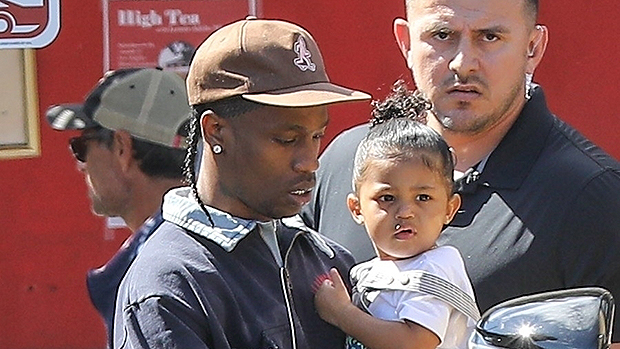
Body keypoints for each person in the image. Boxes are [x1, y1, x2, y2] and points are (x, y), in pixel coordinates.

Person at [302, 0, 620, 342]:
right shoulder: (344, 161)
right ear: (406, 42)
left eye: (490, 36)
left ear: (532, 48)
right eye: (442, 35)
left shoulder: (594, 197)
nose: (463, 63)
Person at [111, 17, 370, 349]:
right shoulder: (170, 283)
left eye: (317, 136)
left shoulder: (328, 261)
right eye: (286, 139)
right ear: (215, 130)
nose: (310, 161)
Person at [314, 88, 479, 349]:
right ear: (357, 209)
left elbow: (414, 342)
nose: (405, 212)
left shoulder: (436, 267)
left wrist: (341, 314)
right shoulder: (367, 274)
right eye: (388, 198)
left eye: (423, 198)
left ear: (450, 208)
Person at [45, 67, 190, 347]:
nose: (80, 165)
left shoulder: (155, 274)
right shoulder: (225, 233)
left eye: (81, 146)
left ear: (122, 148)